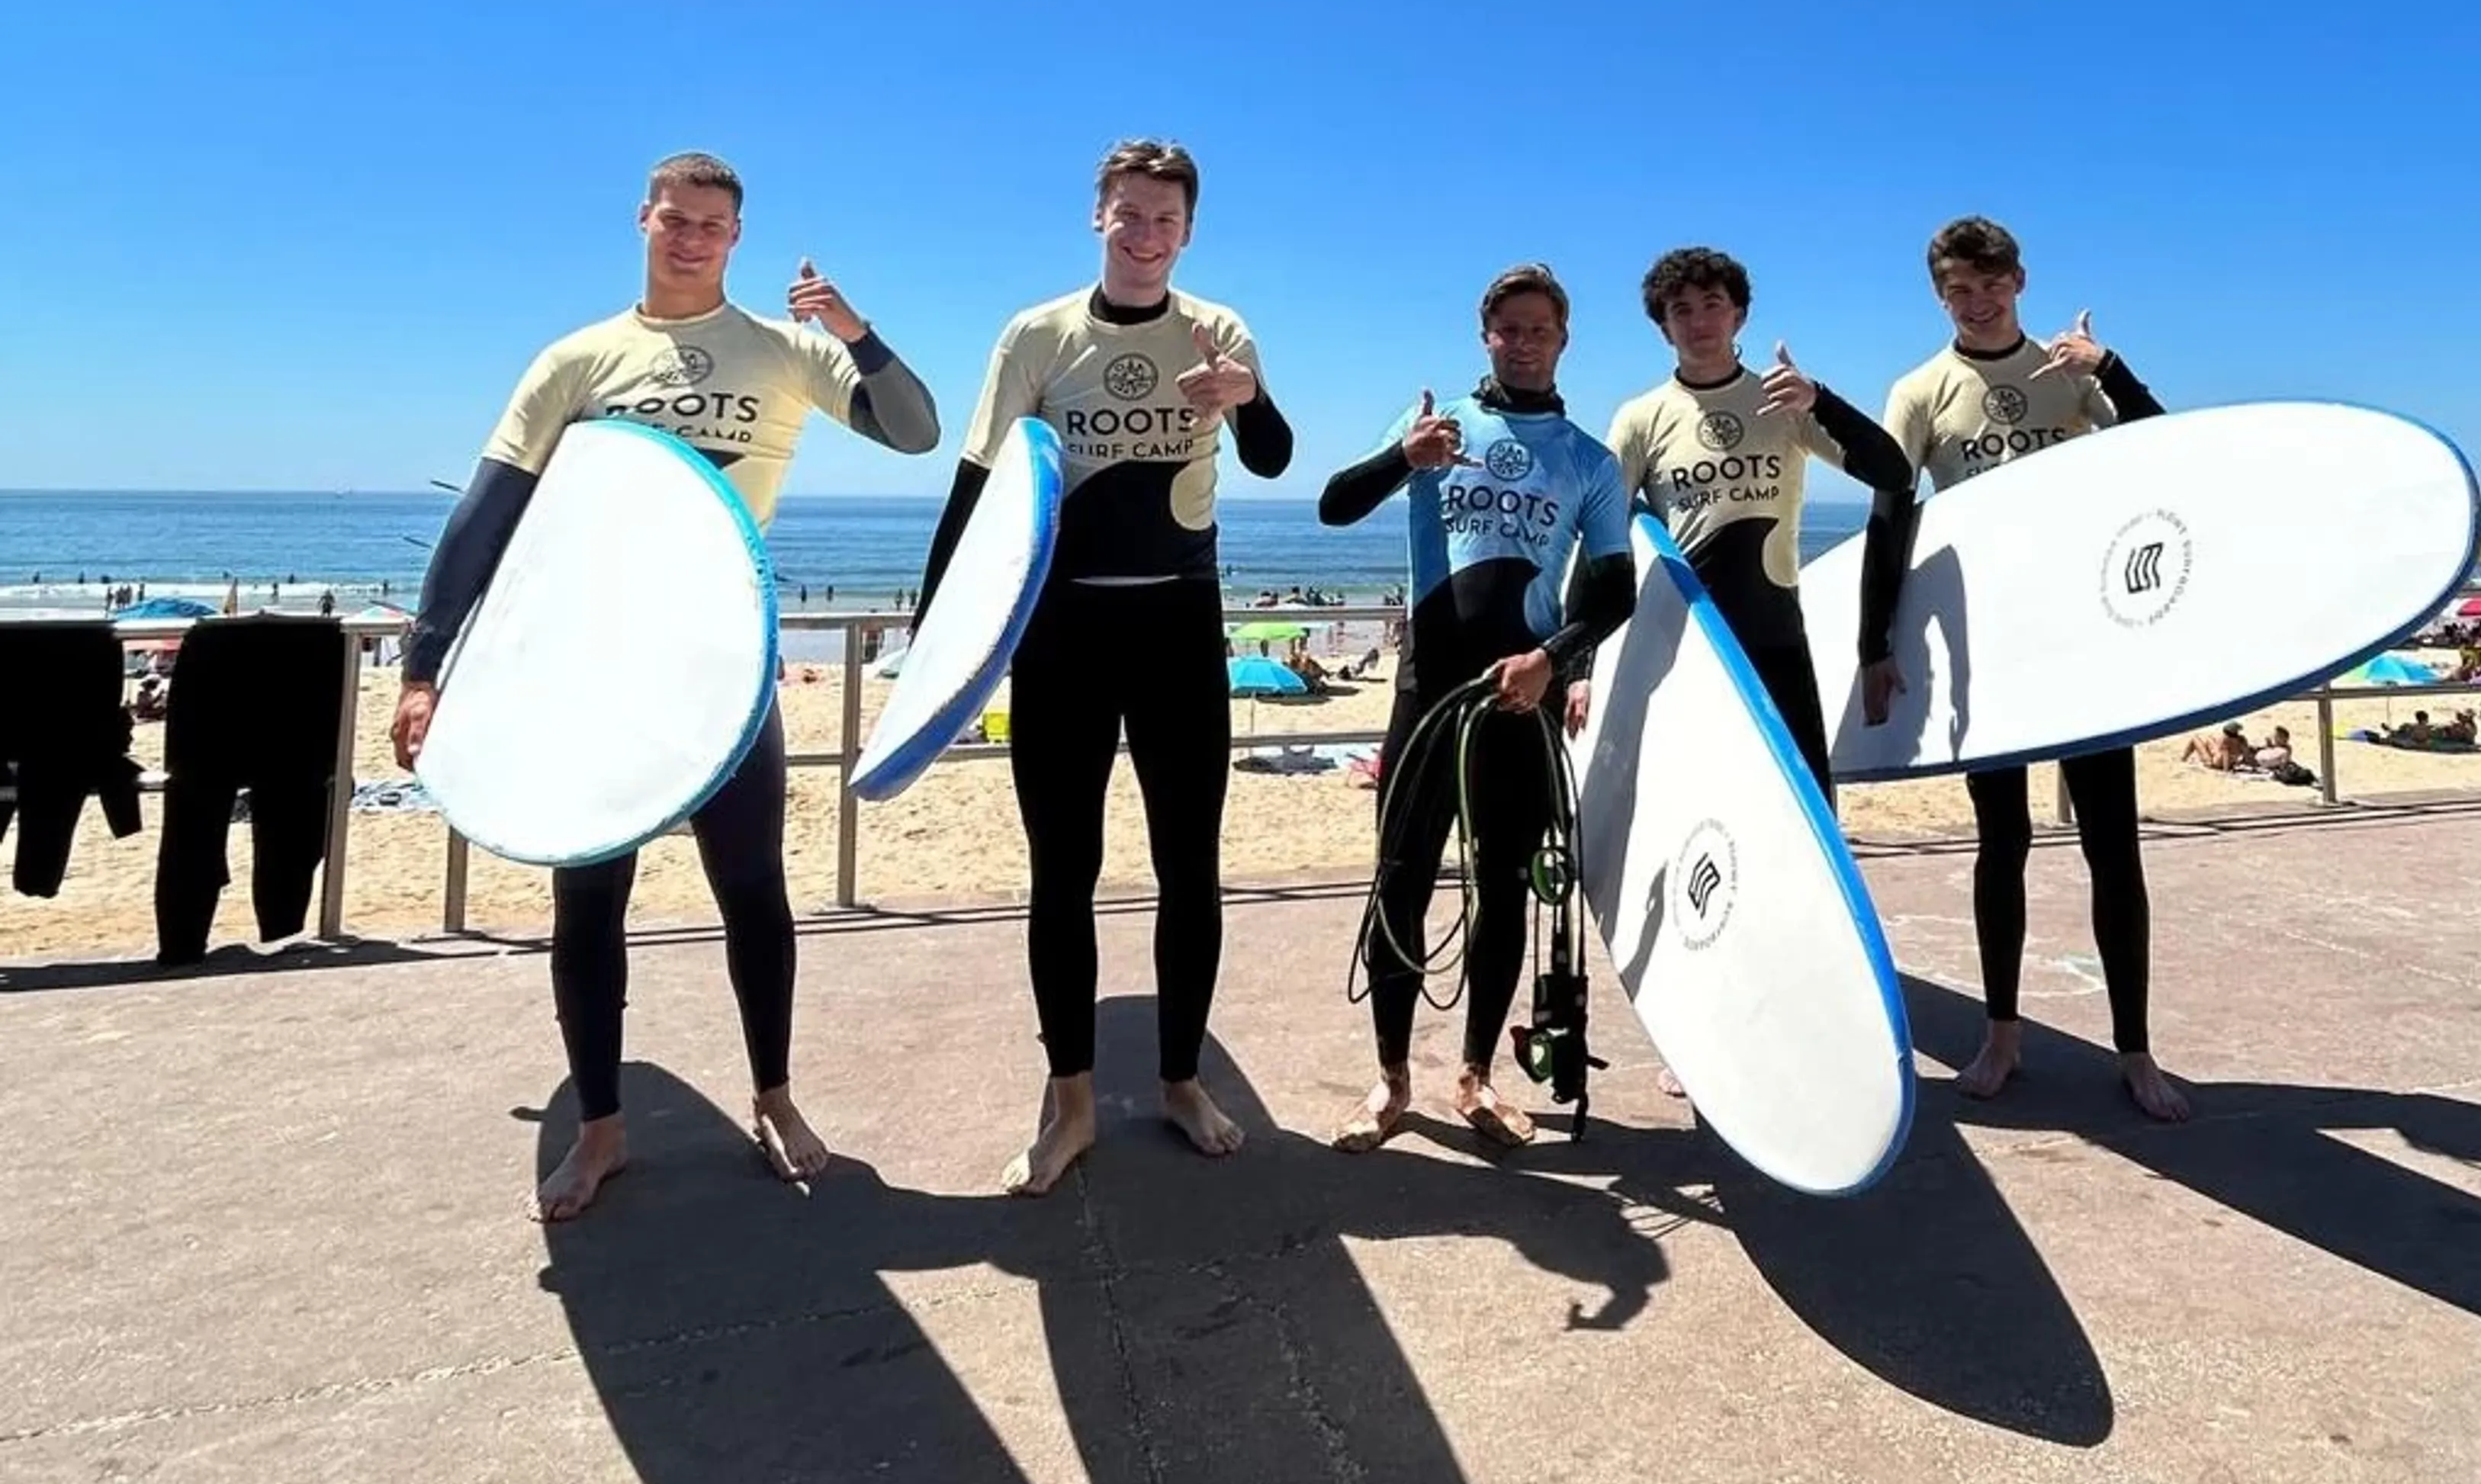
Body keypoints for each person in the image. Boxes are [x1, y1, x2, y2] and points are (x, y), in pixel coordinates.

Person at [394, 151, 940, 1220]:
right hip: (593, 666)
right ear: (645, 220)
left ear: (737, 237)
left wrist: (855, 331)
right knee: (588, 900)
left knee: (753, 893)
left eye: (714, 225)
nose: (693, 237)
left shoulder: (784, 353)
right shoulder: (579, 359)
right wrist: (424, 666)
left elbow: (914, 428)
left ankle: (774, 1096)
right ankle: (601, 1127)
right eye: (676, 219)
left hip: (721, 664)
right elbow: (486, 513)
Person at [915, 140, 1293, 1197]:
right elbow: (980, 484)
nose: (1146, 233)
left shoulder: (1220, 329)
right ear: (1099, 215)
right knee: (1062, 872)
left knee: (1190, 868)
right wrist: (936, 642)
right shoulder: (1037, 333)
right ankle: (1072, 1097)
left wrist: (1245, 395)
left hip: (1178, 626)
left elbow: (1271, 456)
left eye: (1165, 219)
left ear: (1188, 229)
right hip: (1063, 633)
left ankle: (1180, 1078)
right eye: (1129, 213)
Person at [1858, 214, 2190, 1121]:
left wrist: (2108, 368)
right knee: (2000, 841)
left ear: (2020, 281)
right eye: (1958, 288)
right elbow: (1892, 515)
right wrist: (1873, 644)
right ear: (1939, 295)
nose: (1976, 300)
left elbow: (2168, 452)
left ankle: (2136, 1050)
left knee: (2112, 843)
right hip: (1990, 654)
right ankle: (2001, 1031)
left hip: (2082, 643)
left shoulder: (2069, 374)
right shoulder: (1921, 390)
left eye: (1990, 283)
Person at [1319, 263, 1633, 1153]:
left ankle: (1478, 1075)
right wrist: (1402, 456)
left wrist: (1552, 660)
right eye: (1509, 327)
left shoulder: (1588, 460)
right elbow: (1336, 506)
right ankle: (1389, 1081)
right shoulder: (1435, 427)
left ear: (1563, 339)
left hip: (1520, 697)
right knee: (1402, 882)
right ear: (1485, 334)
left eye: (1541, 328)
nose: (1525, 341)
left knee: (1503, 893)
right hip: (1427, 691)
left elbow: (1614, 593)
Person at [1584, 246, 1910, 794]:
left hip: (1776, 636)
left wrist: (1820, 402)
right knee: (1705, 801)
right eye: (1680, 309)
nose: (1699, 321)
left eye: (1713, 303)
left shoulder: (1784, 401)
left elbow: (1894, 473)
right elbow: (1604, 541)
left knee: (1804, 801)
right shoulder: (1641, 418)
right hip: (1690, 645)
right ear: (1664, 328)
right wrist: (1583, 667)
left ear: (1739, 315)